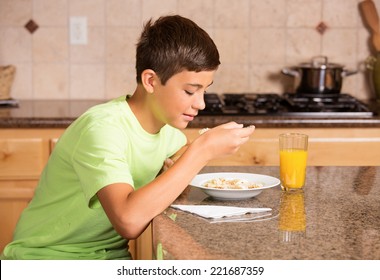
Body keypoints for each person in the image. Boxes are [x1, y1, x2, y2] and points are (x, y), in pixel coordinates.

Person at [2, 15, 255, 260]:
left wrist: (186, 159)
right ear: (151, 81)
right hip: (46, 260)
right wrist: (202, 151)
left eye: (205, 91)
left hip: (112, 260)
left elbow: (166, 201)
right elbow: (128, 221)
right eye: (190, 91)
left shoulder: (171, 138)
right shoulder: (102, 129)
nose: (200, 104)